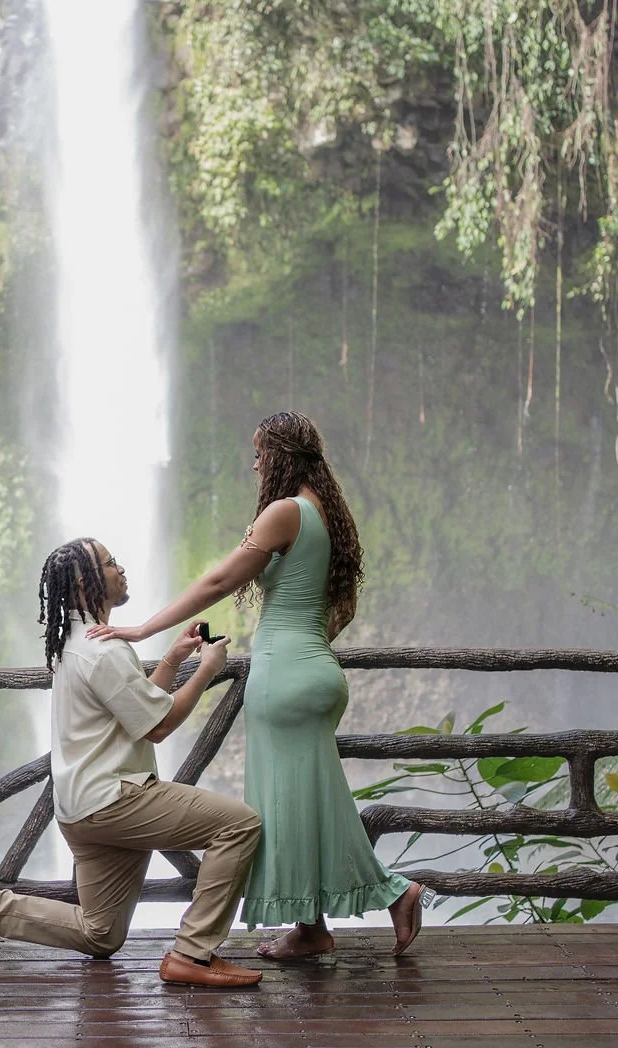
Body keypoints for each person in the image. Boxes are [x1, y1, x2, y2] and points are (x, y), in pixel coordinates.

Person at [90, 411, 426, 961]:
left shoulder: (284, 511)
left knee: (284, 803)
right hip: (315, 668)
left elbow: (222, 580)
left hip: (285, 675)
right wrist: (306, 644)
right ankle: (316, 928)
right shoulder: (328, 515)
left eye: (258, 454)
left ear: (278, 457)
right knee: (309, 799)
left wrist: (142, 626)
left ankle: (389, 894)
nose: (252, 464)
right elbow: (343, 605)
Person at [0, 537, 264, 988]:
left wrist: (172, 659)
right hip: (118, 799)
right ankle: (193, 953)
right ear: (83, 580)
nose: (121, 568)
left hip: (80, 808)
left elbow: (135, 706)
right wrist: (209, 667)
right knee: (239, 824)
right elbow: (158, 725)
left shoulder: (75, 644)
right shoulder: (104, 651)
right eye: (111, 563)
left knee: (102, 935)